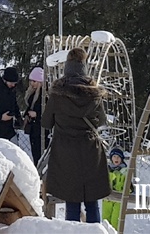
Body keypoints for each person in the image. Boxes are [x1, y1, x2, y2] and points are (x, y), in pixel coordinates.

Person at [41, 47, 109, 224]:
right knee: (92, 201)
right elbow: (101, 120)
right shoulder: (94, 94)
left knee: (72, 202)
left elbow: (46, 122)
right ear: (84, 66)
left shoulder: (57, 94)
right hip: (90, 149)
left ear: (67, 67)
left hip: (65, 151)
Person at [102, 148, 128, 228]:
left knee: (116, 220)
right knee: (105, 220)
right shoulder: (107, 169)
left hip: (119, 199)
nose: (116, 159)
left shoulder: (125, 170)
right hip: (107, 198)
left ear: (121, 159)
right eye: (114, 156)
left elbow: (128, 185)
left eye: (118, 157)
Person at [24, 66, 45, 166]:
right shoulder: (32, 93)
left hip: (41, 129)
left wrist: (37, 114)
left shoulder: (45, 95)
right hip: (34, 127)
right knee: (35, 153)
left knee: (40, 152)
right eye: (31, 81)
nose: (32, 84)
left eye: (34, 81)